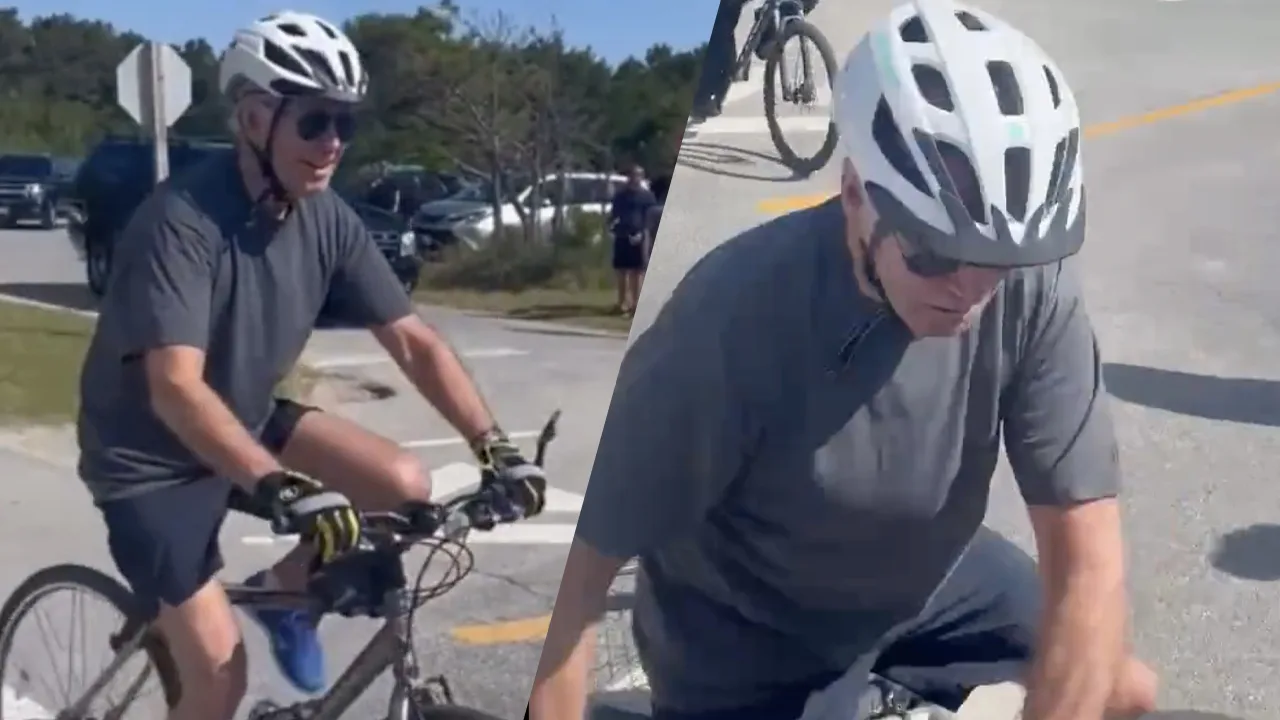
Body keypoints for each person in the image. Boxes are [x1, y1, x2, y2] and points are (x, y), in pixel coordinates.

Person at [529, 2, 1160, 720]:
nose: (972, 291)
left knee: (1123, 690)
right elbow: (584, 573)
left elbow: (1089, 550)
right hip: (749, 634)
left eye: (1002, 261)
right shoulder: (728, 316)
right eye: (936, 251)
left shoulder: (1031, 286)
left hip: (932, 582)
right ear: (856, 194)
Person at [77, 11, 548, 720]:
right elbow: (173, 387)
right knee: (219, 677)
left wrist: (494, 445)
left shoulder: (326, 215)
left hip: (246, 419)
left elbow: (415, 342)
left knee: (401, 483)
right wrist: (279, 486)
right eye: (315, 123)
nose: (332, 145)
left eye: (345, 126)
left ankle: (290, 598)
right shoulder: (180, 222)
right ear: (255, 118)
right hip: (150, 462)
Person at [609, 165, 658, 316]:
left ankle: (636, 304)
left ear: (641, 178)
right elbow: (614, 215)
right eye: (631, 175)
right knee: (622, 270)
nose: (634, 178)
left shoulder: (647, 196)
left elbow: (651, 217)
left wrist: (644, 233)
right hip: (622, 235)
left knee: (637, 271)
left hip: (640, 236)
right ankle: (622, 303)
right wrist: (610, 227)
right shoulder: (620, 196)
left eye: (637, 175)